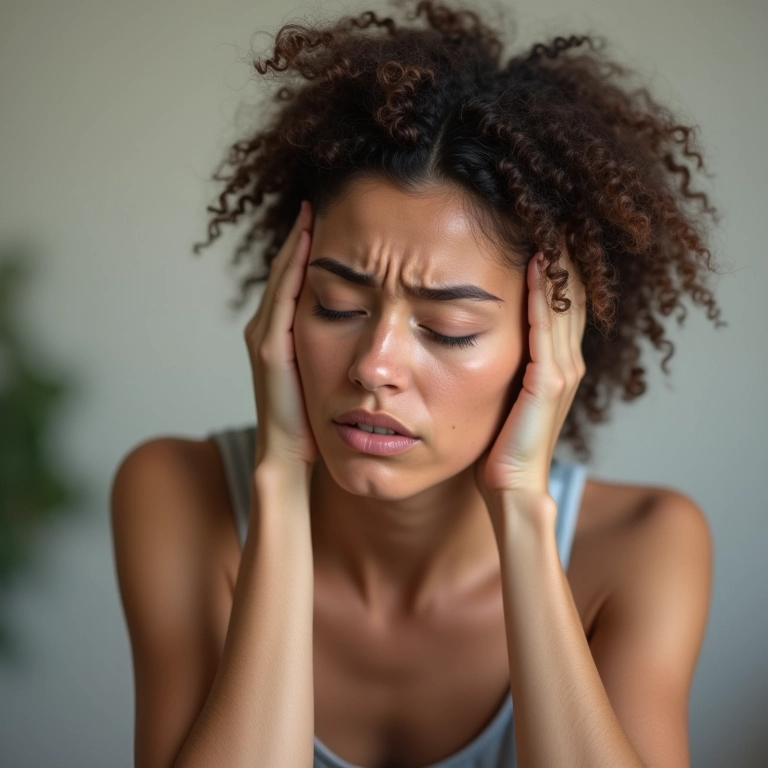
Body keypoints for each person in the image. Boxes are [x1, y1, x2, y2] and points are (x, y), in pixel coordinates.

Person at [110, 2, 723, 766]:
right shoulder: (175, 492)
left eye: (448, 330)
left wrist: (525, 511)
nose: (375, 364)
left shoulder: (645, 546)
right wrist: (280, 480)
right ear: (284, 301)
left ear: (549, 347)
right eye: (337, 305)